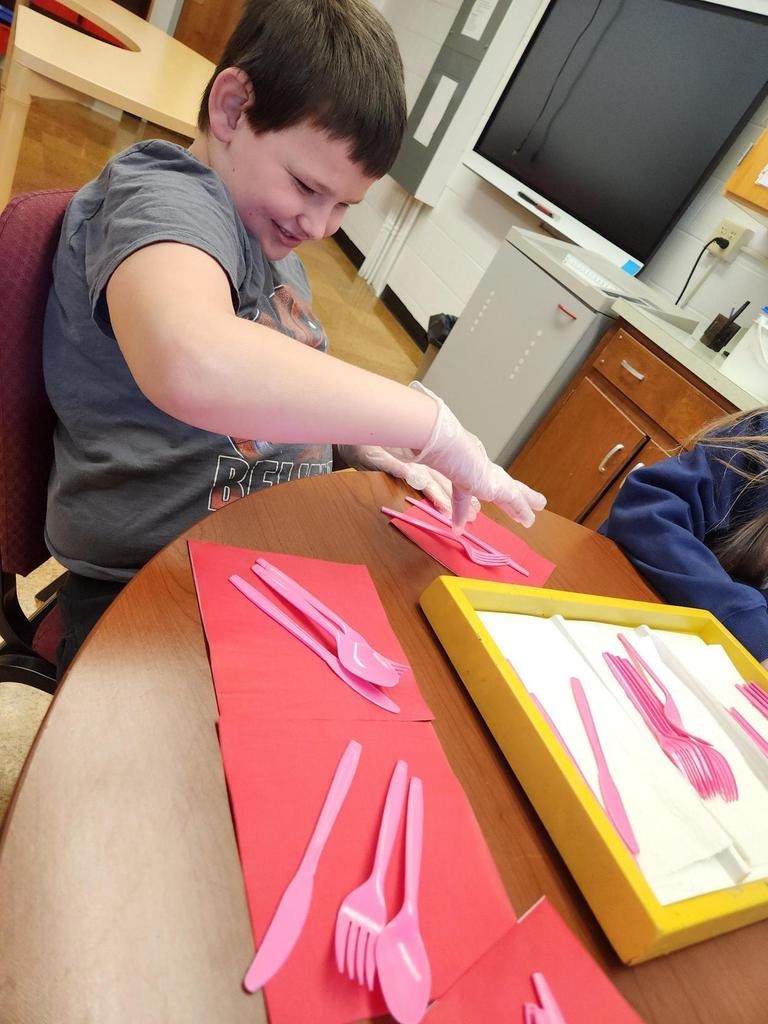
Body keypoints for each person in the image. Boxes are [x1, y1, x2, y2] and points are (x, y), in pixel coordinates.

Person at [43, 0, 545, 677]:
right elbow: (190, 359)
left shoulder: (280, 253)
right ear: (231, 109)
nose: (321, 224)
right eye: (308, 187)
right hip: (149, 585)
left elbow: (279, 386)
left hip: (269, 557)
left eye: (344, 205)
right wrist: (429, 421)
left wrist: (356, 438)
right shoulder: (162, 195)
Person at [602, 406, 768, 666]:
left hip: (715, 665)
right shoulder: (760, 442)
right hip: (630, 615)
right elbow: (647, 514)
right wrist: (749, 625)